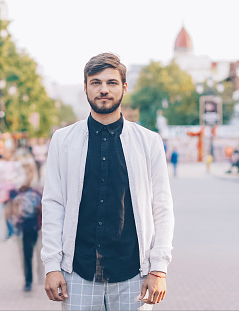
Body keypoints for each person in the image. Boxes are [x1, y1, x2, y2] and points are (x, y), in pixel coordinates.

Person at [41, 53, 174, 310]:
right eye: (96, 82)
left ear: (124, 87)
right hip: (78, 272)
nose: (104, 89)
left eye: (112, 83)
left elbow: (162, 208)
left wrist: (158, 269)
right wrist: (51, 266)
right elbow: (53, 204)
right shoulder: (63, 140)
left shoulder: (148, 142)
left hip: (134, 274)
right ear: (86, 87)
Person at [8, 161, 42, 292]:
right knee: (26, 255)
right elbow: (10, 211)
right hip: (23, 228)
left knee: (39, 254)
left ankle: (39, 277)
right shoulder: (14, 193)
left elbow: (44, 209)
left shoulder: (36, 192)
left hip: (35, 227)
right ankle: (28, 280)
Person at [0, 148, 25, 239]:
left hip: (14, 190)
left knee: (15, 211)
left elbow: (20, 176)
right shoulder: (0, 164)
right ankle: (9, 230)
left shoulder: (16, 164)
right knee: (7, 212)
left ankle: (15, 230)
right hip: (4, 190)